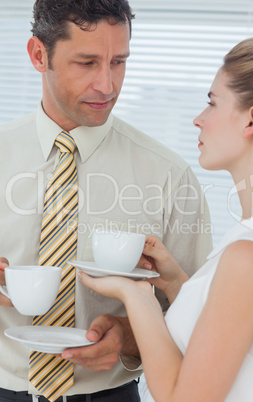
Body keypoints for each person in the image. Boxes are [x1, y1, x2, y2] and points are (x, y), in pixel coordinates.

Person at [0, 0, 212, 401]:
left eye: (118, 62)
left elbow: (200, 316)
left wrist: (130, 339)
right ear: (38, 55)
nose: (107, 85)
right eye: (87, 63)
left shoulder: (169, 175)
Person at [79, 36, 253, 402]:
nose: (199, 119)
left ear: (251, 119)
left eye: (212, 103)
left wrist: (136, 295)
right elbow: (231, 343)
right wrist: (175, 284)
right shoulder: (251, 239)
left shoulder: (249, 255)